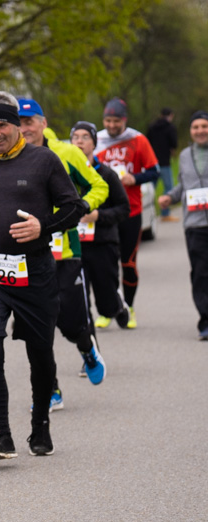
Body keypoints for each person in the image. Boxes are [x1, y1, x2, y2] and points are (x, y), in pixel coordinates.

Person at [0, 91, 86, 460]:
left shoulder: (43, 161)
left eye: (2, 126)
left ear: (17, 127)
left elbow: (74, 207)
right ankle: (2, 435)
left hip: (36, 272)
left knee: (40, 355)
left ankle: (40, 424)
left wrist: (42, 227)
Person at [17, 98, 109, 406]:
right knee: (35, 328)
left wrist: (83, 207)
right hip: (25, 256)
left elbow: (99, 186)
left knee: (69, 323)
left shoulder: (67, 153)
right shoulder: (8, 158)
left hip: (65, 252)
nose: (24, 128)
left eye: (29, 121)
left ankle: (86, 348)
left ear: (43, 123)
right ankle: (50, 390)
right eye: (18, 122)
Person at [96, 97, 160, 329]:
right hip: (104, 213)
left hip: (131, 211)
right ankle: (108, 309)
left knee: (128, 262)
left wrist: (135, 178)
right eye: (108, 120)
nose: (112, 125)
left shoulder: (137, 139)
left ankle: (129, 307)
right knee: (104, 264)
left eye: (116, 121)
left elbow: (155, 171)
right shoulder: (98, 140)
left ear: (125, 120)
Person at [69, 121, 131, 335]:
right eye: (75, 137)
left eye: (85, 137)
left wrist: (98, 215)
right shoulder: (64, 175)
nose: (79, 141)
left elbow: (124, 208)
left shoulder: (106, 174)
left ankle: (117, 306)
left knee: (106, 299)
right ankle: (86, 333)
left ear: (94, 143)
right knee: (78, 295)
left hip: (103, 242)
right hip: (74, 246)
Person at [158, 111, 208, 340]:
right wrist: (170, 196)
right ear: (190, 131)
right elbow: (183, 186)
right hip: (194, 225)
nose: (200, 131)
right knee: (200, 273)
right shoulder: (186, 155)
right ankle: (205, 321)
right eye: (195, 127)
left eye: (204, 126)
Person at [147, 108, 179, 221]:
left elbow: (147, 143)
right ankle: (165, 214)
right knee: (168, 188)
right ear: (171, 115)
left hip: (152, 163)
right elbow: (174, 144)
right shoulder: (170, 127)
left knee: (150, 190)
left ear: (161, 115)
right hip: (165, 162)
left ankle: (148, 215)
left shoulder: (151, 127)